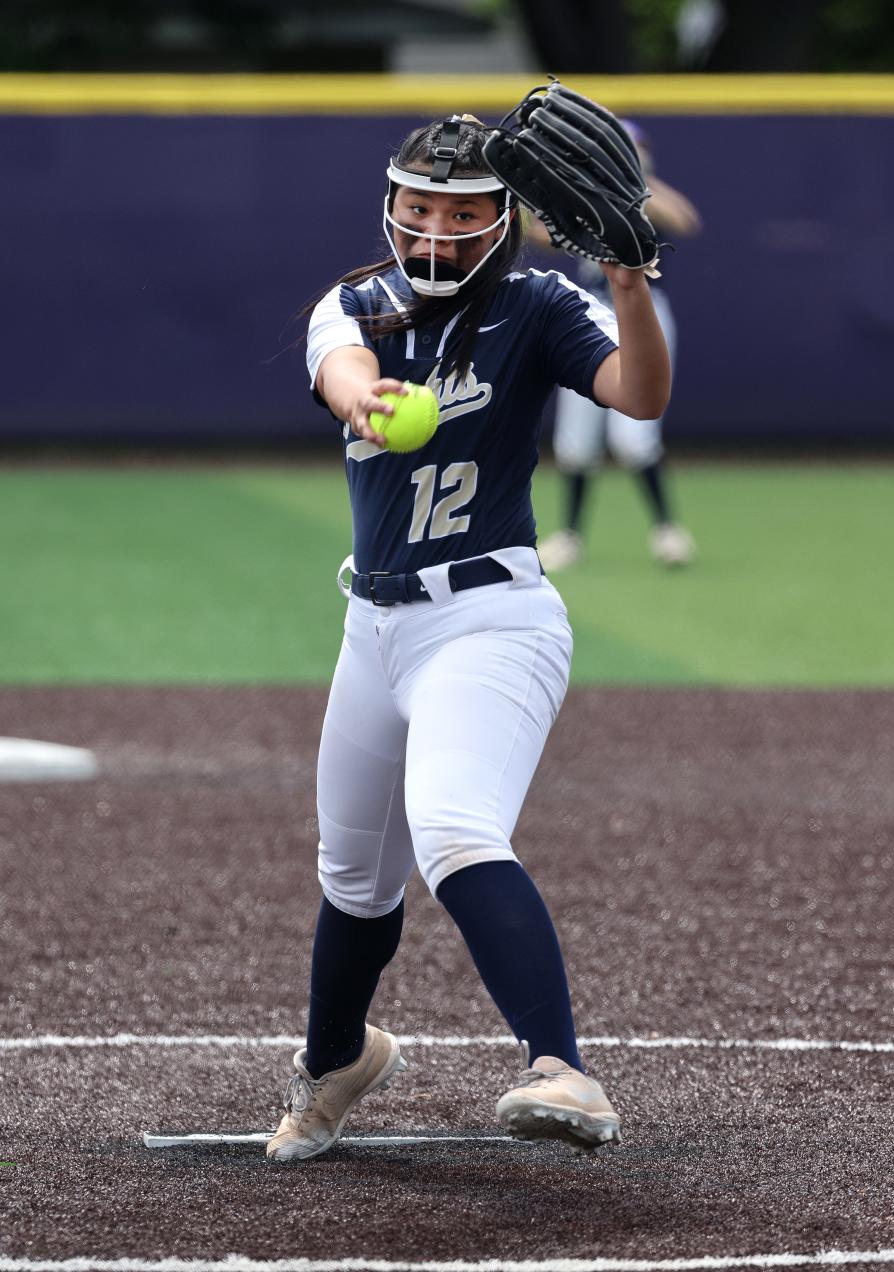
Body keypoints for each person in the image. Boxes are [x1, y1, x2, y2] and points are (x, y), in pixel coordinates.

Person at [266, 111, 670, 1162]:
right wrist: (370, 399)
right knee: (352, 879)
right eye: (420, 207)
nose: (436, 228)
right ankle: (334, 1063)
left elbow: (640, 394)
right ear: (391, 210)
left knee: (451, 828)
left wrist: (630, 281)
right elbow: (343, 373)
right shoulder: (352, 305)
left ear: (503, 218)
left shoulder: (540, 303)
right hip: (376, 625)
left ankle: (560, 1065)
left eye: (462, 210)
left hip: (491, 617)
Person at [534, 122, 702, 571]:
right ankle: (569, 536)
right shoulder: (584, 197)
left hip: (641, 317)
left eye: (630, 148)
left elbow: (685, 219)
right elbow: (542, 237)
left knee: (633, 438)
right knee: (575, 441)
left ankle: (668, 529)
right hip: (588, 315)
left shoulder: (643, 196)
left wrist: (635, 182)